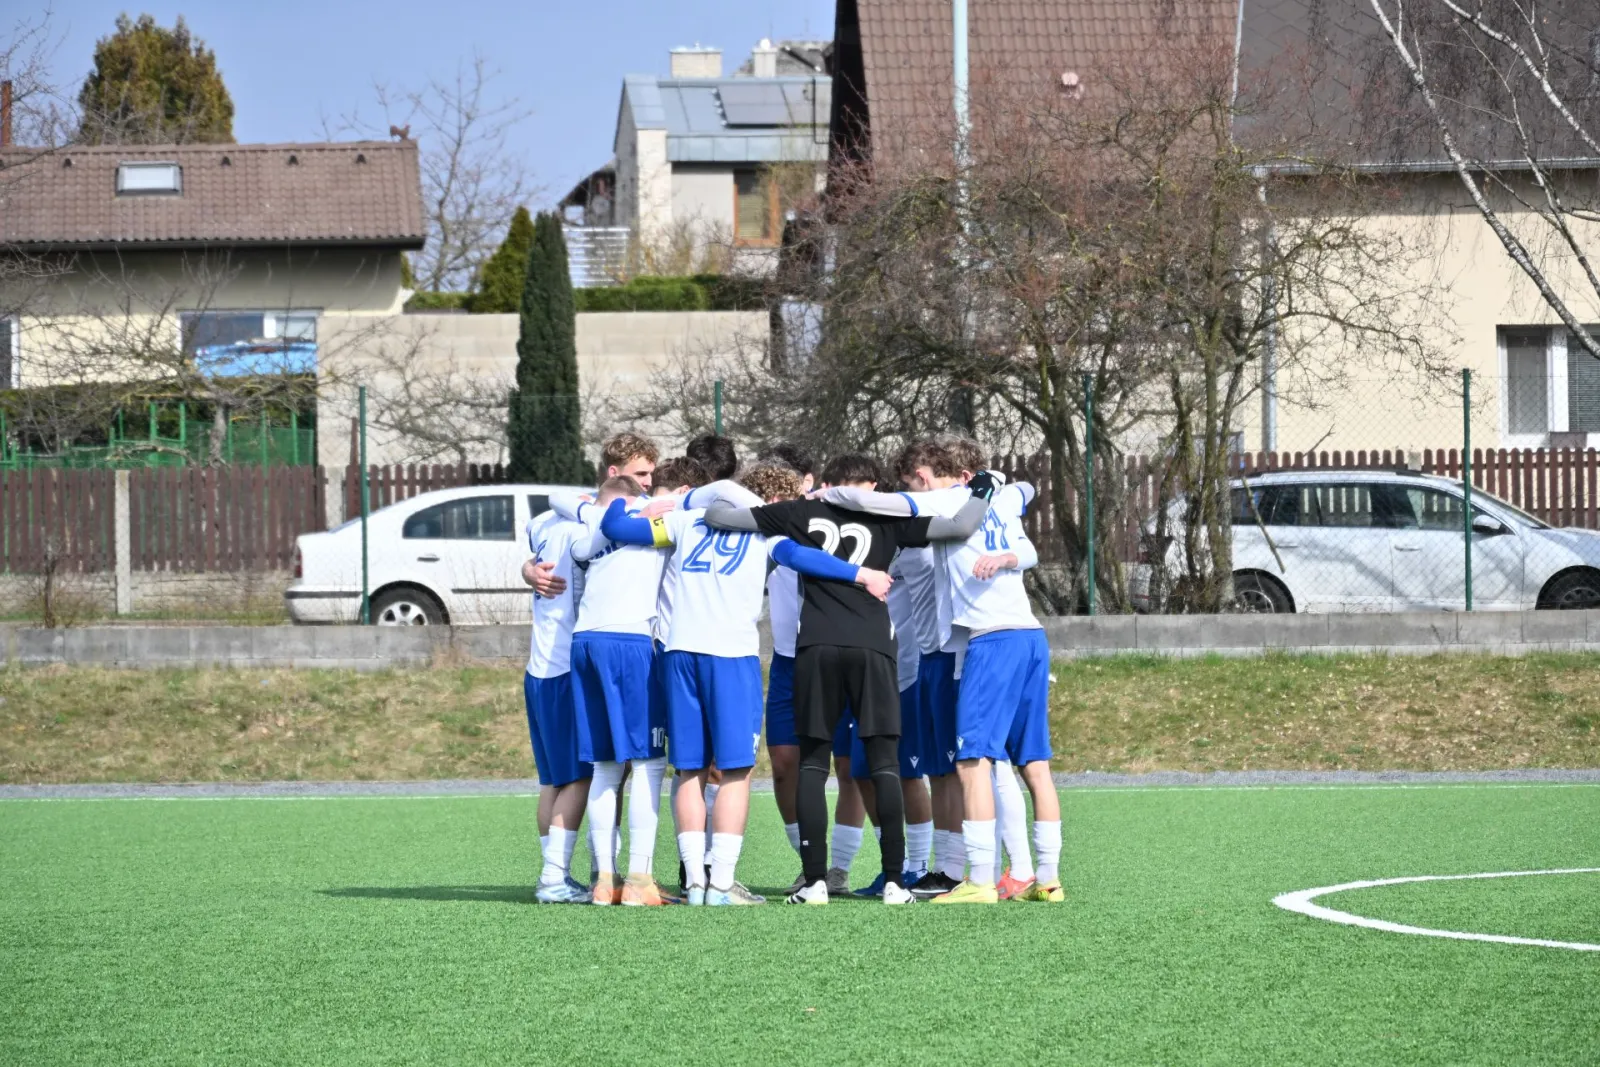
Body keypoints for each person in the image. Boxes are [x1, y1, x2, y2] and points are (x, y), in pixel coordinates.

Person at [704, 454, 994, 905]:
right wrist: (985, 488)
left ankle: (815, 882)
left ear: (827, 483)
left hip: (816, 647)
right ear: (870, 488)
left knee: (813, 764)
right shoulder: (889, 517)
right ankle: (896, 881)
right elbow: (961, 526)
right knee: (884, 765)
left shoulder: (799, 512)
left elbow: (718, 516)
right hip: (873, 648)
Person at [601, 462, 888, 904]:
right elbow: (804, 558)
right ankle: (721, 884)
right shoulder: (768, 532)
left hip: (680, 653)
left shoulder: (685, 521)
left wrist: (624, 502)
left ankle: (695, 881)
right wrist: (861, 574)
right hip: (731, 657)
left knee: (690, 771)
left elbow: (617, 528)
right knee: (736, 771)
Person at [817, 455, 1060, 904]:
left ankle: (985, 876)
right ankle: (1038, 875)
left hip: (974, 646)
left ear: (950, 477)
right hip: (999, 639)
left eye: (918, 480)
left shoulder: (947, 502)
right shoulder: (999, 499)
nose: (917, 488)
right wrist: (997, 486)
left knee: (978, 763)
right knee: (1013, 763)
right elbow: (1026, 505)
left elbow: (870, 501)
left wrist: (822, 496)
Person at [569, 473, 674, 906]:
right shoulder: (651, 519)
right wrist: (650, 508)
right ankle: (639, 879)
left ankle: (603, 880)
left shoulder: (589, 528)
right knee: (649, 762)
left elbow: (578, 541)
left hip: (584, 640)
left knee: (605, 765)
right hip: (630, 640)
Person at [521, 503, 593, 904]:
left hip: (539, 666)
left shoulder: (545, 522)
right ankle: (553, 878)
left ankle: (552, 874)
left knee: (552, 781)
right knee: (580, 777)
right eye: (640, 475)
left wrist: (527, 569)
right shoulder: (587, 525)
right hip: (564, 666)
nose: (646, 483)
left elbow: (532, 553)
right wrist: (528, 570)